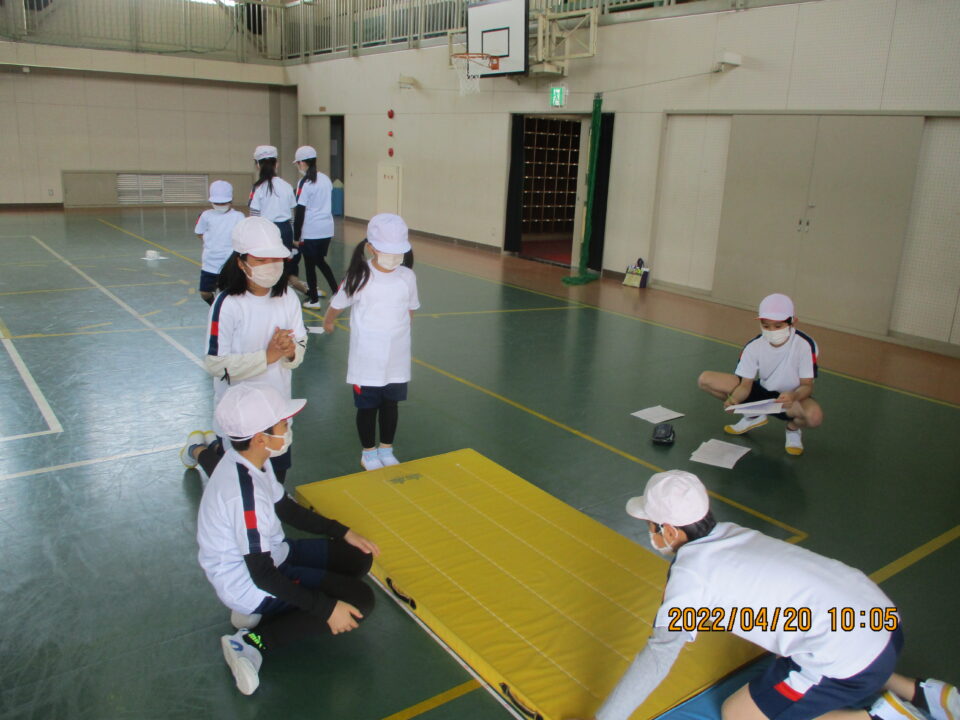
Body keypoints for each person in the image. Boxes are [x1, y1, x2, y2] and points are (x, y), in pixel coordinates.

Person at [574, 470, 957, 720]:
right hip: (883, 618)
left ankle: (883, 716)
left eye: (651, 525)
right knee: (822, 640)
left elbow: (658, 657)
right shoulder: (731, 532)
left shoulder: (690, 575)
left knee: (739, 714)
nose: (651, 532)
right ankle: (926, 694)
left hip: (849, 655)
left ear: (670, 531)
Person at [197, 383, 379, 696]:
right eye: (283, 423)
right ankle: (252, 641)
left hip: (274, 553)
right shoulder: (244, 496)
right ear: (260, 438)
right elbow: (263, 574)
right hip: (250, 581)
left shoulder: (252, 459)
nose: (288, 428)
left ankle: (268, 612)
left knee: (358, 557)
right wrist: (326, 609)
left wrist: (342, 531)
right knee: (360, 602)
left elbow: (286, 508)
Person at [179, 216, 306, 485]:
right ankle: (198, 450)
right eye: (260, 259)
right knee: (238, 482)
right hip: (239, 416)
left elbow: (300, 347)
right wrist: (267, 357)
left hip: (276, 410)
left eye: (276, 259)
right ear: (241, 262)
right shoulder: (227, 304)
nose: (271, 266)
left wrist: (290, 352)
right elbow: (216, 364)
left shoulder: (288, 298)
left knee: (275, 478)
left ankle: (210, 446)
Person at [322, 213, 420, 471]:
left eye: (398, 252)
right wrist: (328, 321)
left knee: (390, 404)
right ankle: (368, 452)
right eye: (388, 251)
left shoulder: (407, 277)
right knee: (368, 407)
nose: (394, 257)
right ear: (371, 248)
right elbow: (337, 303)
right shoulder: (360, 275)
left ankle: (386, 449)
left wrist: (401, 331)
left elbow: (410, 308)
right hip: (367, 358)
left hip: (397, 356)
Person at [698, 293, 823, 455]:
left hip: (791, 399)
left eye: (778, 326)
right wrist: (734, 400)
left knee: (814, 416)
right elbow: (745, 385)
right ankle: (753, 415)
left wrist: (793, 396)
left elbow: (807, 385)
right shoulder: (754, 346)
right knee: (705, 379)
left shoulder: (805, 345)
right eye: (766, 326)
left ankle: (792, 429)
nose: (771, 331)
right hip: (761, 392)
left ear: (793, 321)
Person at [248, 144, 309, 296]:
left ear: (257, 165)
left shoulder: (257, 188)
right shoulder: (286, 186)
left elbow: (254, 216)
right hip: (285, 231)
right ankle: (282, 293)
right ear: (277, 164)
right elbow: (292, 215)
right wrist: (293, 236)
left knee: (266, 265)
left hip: (266, 231)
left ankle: (268, 293)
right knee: (282, 264)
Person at [293, 145, 338, 310]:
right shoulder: (325, 179)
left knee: (310, 266)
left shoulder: (304, 183)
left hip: (310, 231)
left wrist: (296, 236)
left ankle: (313, 300)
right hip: (327, 229)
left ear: (302, 163)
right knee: (320, 261)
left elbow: (300, 211)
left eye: (298, 163)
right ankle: (336, 291)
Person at [194, 180, 244, 306]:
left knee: (228, 293)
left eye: (223, 202)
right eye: (217, 202)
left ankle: (225, 311)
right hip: (210, 263)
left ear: (231, 200)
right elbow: (199, 232)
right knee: (205, 293)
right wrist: (211, 241)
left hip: (230, 264)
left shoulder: (238, 216)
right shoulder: (205, 215)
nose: (220, 205)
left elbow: (243, 236)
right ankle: (215, 306)